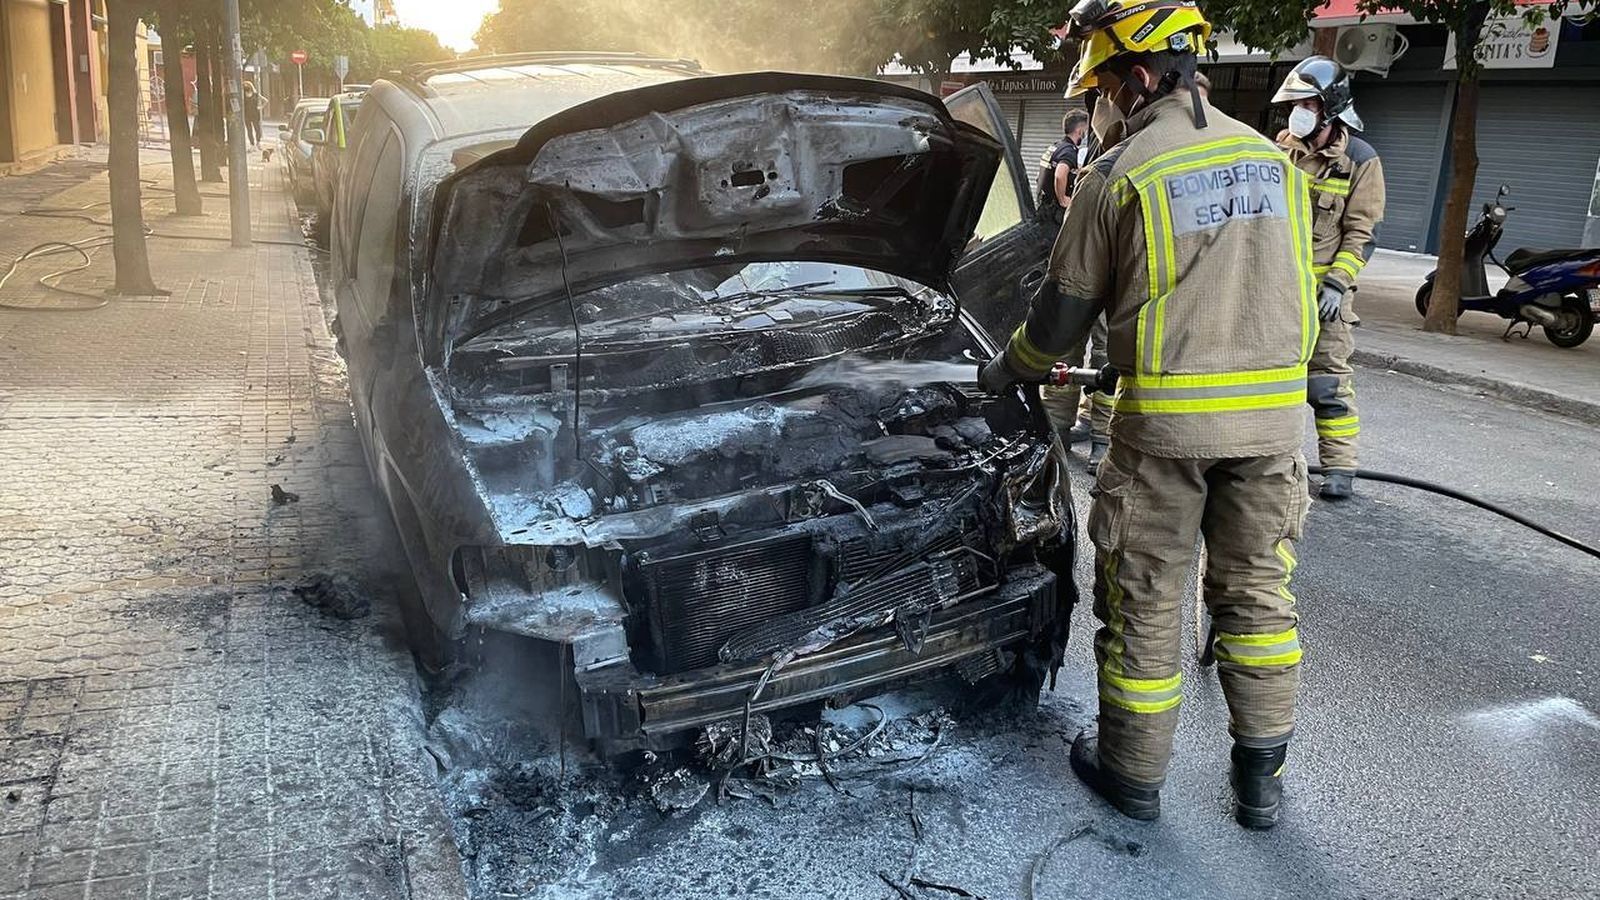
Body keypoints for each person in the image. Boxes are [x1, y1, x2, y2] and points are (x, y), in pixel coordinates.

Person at [977, 0, 1317, 829]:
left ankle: (1131, 773)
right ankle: (1260, 782)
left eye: (1101, 88)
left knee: (1148, 594)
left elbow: (1060, 315)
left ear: (1137, 78)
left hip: (1166, 431)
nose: (1101, 105)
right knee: (1258, 596)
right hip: (1273, 427)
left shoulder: (1120, 171)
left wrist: (1007, 370)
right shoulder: (1273, 163)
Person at [1272, 57, 1386, 500]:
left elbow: (1362, 234)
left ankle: (1339, 466)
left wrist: (1338, 284)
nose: (1296, 113)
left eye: (1306, 105)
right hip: (1278, 290)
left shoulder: (1360, 161)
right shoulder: (1281, 149)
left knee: (1327, 384)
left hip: (1325, 297)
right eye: (1293, 105)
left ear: (1330, 107)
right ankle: (1268, 458)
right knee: (1270, 379)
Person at [242, 81, 263, 147]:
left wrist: (260, 107)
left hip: (255, 114)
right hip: (247, 114)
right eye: (244, 86)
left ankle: (258, 142)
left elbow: (265, 100)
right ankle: (252, 144)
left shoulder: (255, 94)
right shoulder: (243, 95)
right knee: (249, 130)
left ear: (251, 86)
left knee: (257, 129)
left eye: (247, 85)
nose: (246, 87)